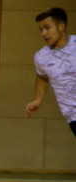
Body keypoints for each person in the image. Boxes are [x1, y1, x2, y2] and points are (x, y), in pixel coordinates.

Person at [25, 7, 76, 136]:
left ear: (61, 26)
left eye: (47, 28)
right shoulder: (41, 57)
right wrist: (37, 99)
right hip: (73, 116)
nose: (43, 33)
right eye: (41, 30)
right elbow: (42, 77)